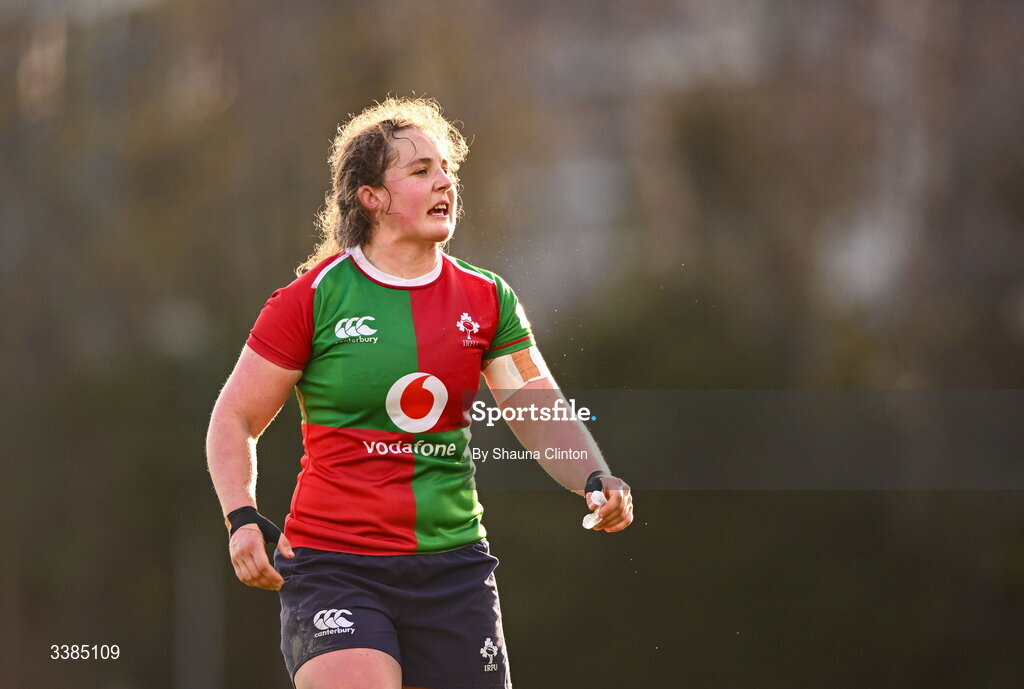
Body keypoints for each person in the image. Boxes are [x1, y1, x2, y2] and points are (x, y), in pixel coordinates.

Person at [206, 97, 633, 689]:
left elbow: (535, 409)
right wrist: (242, 516)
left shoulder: (487, 299)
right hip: (336, 567)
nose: (444, 183)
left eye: (446, 170)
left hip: (453, 570)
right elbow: (235, 417)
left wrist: (594, 476)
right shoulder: (312, 299)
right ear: (371, 198)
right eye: (420, 171)